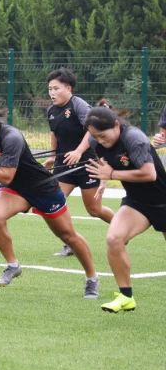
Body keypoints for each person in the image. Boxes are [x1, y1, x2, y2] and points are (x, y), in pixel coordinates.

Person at [0, 99, 98, 297]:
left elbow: (6, 175)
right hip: (16, 188)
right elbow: (9, 180)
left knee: (68, 236)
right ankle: (12, 265)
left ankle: (92, 278)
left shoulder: (11, 137)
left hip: (42, 188)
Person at [83, 106, 166, 312]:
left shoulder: (134, 138)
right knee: (114, 239)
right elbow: (105, 163)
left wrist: (111, 175)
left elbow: (149, 174)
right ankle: (126, 297)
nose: (100, 141)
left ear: (116, 125)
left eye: (103, 135)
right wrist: (103, 181)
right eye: (95, 137)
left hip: (163, 200)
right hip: (137, 202)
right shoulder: (96, 141)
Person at [43, 68, 114, 257]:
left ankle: (121, 227)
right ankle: (70, 243)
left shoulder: (79, 105)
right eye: (50, 89)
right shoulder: (51, 110)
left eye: (56, 88)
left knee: (94, 209)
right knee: (53, 205)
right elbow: (54, 134)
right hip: (64, 165)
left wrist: (79, 151)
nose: (52, 93)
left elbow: (92, 130)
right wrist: (52, 156)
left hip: (87, 165)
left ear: (68, 88)